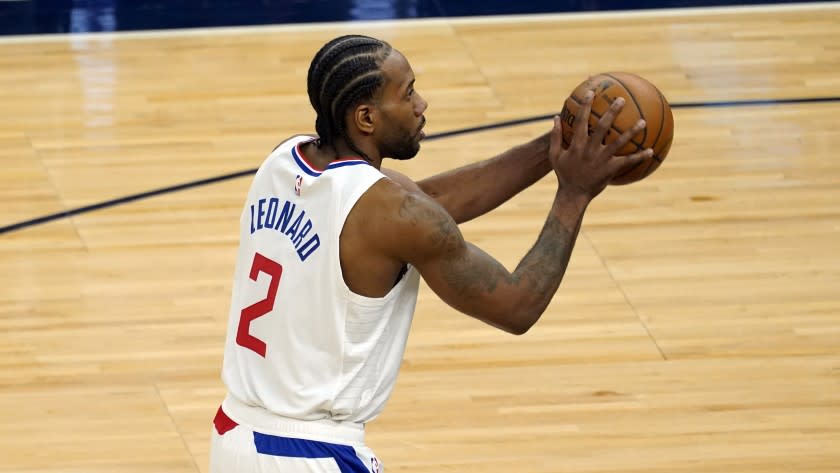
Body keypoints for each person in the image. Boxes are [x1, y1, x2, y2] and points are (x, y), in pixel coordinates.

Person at [209, 34, 651, 473]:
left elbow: (426, 202)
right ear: (366, 118)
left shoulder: (284, 161)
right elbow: (517, 306)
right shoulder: (394, 214)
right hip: (308, 455)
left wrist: (556, 144)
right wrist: (573, 193)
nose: (421, 104)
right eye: (407, 94)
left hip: (235, 433)